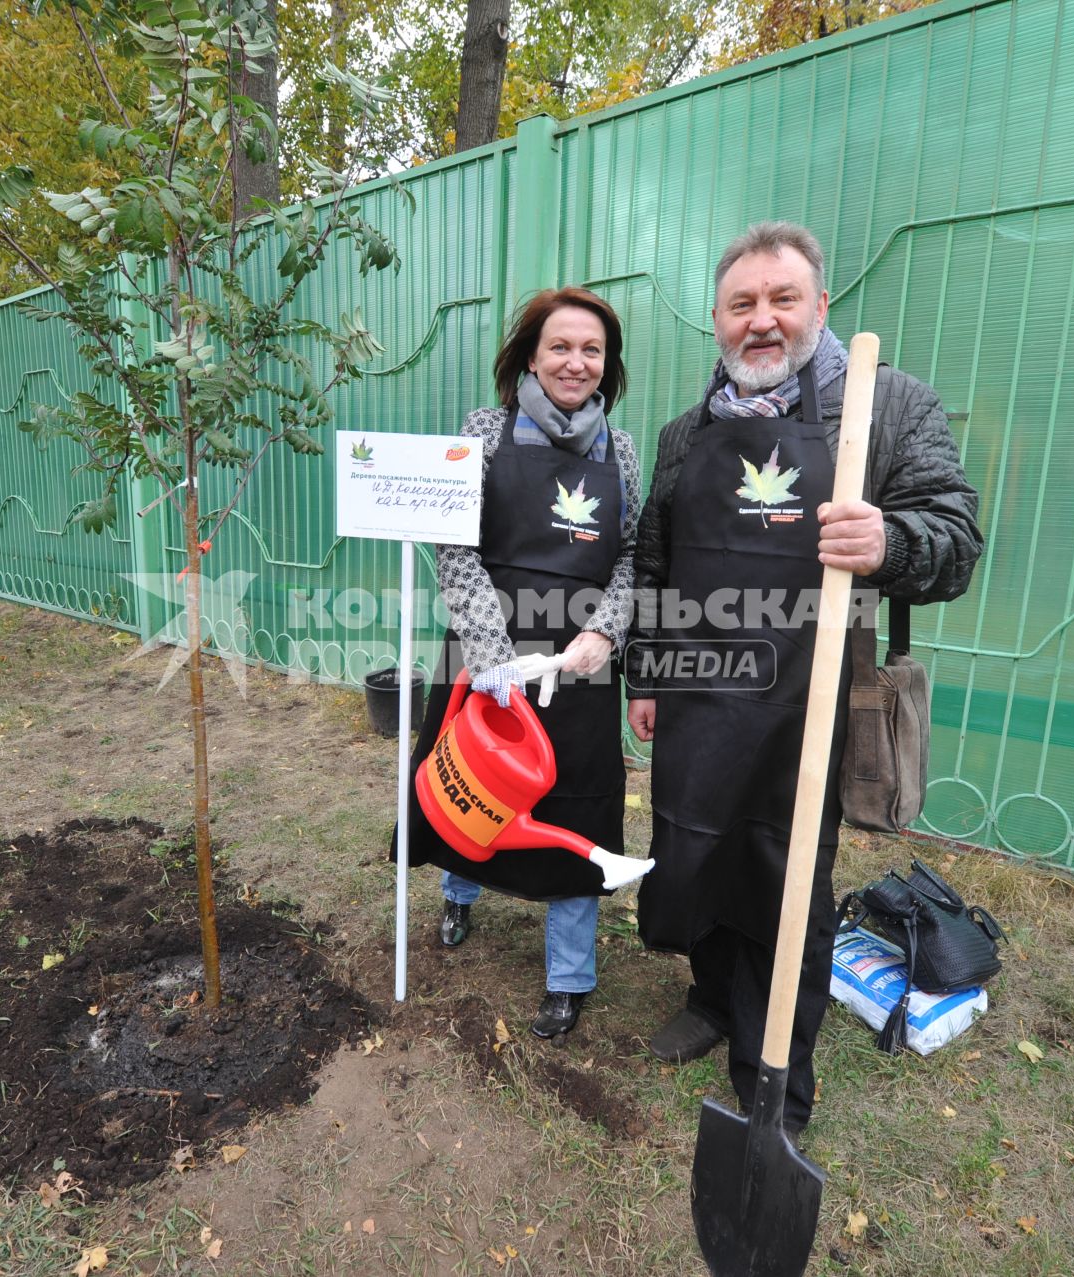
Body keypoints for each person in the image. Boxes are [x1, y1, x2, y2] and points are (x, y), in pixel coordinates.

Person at [628, 222, 983, 1131]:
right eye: (742, 304)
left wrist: (890, 542)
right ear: (716, 319)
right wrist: (647, 675)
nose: (762, 321)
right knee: (695, 849)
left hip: (811, 701)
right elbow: (657, 562)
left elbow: (955, 541)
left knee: (787, 875)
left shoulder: (885, 408)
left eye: (782, 299)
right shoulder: (686, 431)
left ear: (820, 306)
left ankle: (774, 1068)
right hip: (702, 692)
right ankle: (712, 999)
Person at [405, 287, 643, 1040]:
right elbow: (455, 545)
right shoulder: (486, 431)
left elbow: (635, 554)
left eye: (592, 350)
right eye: (561, 347)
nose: (577, 362)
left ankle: (569, 975)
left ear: (607, 365)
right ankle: (459, 890)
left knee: (578, 802)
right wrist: (490, 655)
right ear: (530, 357)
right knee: (471, 779)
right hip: (490, 655)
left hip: (581, 665)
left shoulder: (623, 450)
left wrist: (605, 631)